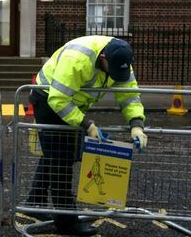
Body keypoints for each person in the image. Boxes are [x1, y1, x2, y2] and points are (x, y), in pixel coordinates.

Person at [26, 35, 147, 236]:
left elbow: (129, 96)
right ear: (102, 58)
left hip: (72, 104)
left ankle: (35, 202)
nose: (116, 75)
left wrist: (137, 124)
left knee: (56, 155)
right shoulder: (78, 59)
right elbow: (59, 100)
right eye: (113, 70)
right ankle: (66, 223)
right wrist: (87, 124)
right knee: (61, 161)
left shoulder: (121, 60)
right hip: (48, 100)